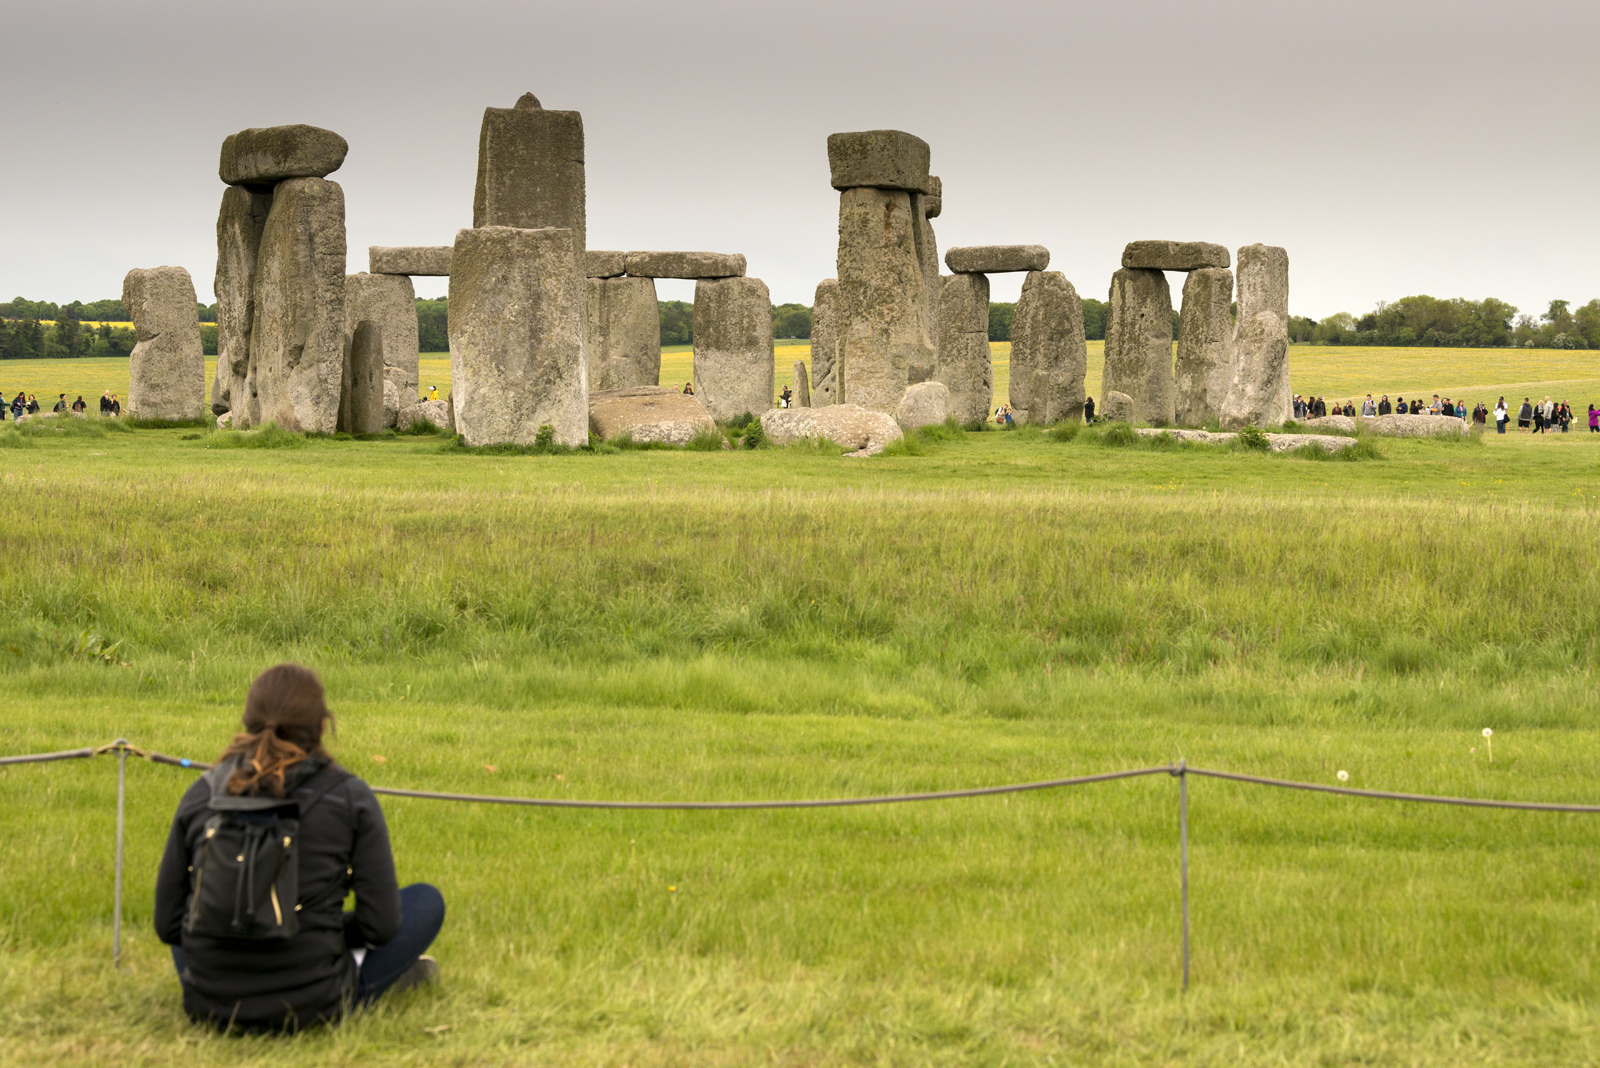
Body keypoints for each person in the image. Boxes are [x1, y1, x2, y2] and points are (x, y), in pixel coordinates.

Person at [154, 663, 444, 1033]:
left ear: (247, 721)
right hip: (314, 1004)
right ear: (322, 726)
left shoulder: (202, 794)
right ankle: (373, 981)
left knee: (194, 912)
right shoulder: (350, 797)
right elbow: (381, 926)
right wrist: (320, 925)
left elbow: (167, 924)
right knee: (426, 901)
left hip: (208, 1003)